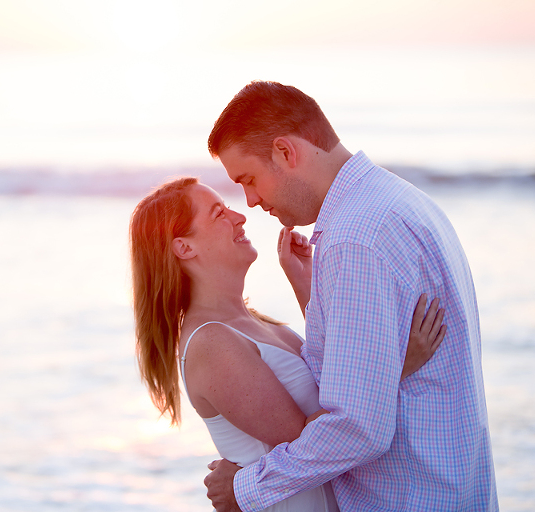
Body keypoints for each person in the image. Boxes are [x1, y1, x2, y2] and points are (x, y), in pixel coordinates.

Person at [203, 81, 498, 511]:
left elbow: (358, 426)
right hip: (452, 489)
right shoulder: (399, 199)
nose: (249, 201)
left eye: (249, 179)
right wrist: (310, 292)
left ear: (286, 152)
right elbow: (362, 373)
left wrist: (247, 488)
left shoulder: (354, 238)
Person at [129, 176, 446, 511]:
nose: (240, 216)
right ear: (184, 247)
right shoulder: (212, 342)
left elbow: (332, 378)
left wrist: (304, 279)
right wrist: (397, 367)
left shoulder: (254, 323)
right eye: (218, 213)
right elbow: (312, 442)